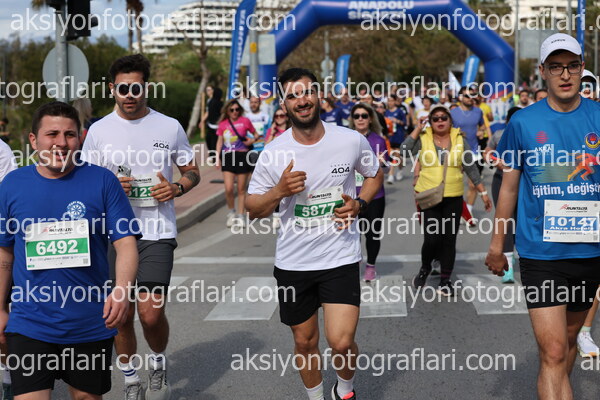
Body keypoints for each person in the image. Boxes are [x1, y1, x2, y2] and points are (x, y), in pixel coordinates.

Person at [246, 68, 383, 400]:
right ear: (284, 105)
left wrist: (360, 204)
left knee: (342, 341)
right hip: (294, 263)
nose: (302, 100)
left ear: (318, 95)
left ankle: (345, 390)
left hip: (340, 256)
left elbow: (375, 174)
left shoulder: (350, 140)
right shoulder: (274, 152)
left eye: (307, 92)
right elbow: (253, 208)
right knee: (305, 341)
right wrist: (279, 191)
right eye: (293, 96)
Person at [485, 33, 600, 400]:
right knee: (552, 351)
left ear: (582, 68)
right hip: (541, 254)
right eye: (556, 67)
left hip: (590, 251)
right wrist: (498, 246)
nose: (565, 75)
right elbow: (508, 189)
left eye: (572, 66)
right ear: (543, 72)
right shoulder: (522, 122)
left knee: (568, 341)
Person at [0, 101, 140, 400]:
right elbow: (4, 253)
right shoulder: (12, 185)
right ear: (34, 140)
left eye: (70, 134)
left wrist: (121, 291)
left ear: (80, 137)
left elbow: (126, 242)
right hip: (29, 323)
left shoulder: (103, 181)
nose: (61, 143)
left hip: (89, 322)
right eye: (52, 134)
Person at [81, 54, 200, 400]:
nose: (130, 95)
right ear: (112, 89)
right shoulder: (98, 132)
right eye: (123, 89)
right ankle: (131, 379)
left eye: (136, 88)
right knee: (120, 315)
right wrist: (109, 186)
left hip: (156, 231)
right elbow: (85, 183)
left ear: (146, 87)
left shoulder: (169, 126)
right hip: (112, 235)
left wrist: (177, 188)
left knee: (150, 314)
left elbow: (192, 171)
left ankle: (158, 362)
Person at [405, 105, 492, 296]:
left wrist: (483, 193)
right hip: (429, 196)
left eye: (443, 118)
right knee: (432, 239)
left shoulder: (459, 139)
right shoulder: (423, 137)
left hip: (453, 197)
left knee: (449, 240)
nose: (440, 121)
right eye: (435, 118)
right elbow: (404, 151)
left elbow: (470, 167)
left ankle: (445, 280)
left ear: (450, 121)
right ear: (430, 121)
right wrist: (417, 128)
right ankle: (425, 268)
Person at [349, 103, 389, 282]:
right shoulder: (346, 140)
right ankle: (354, 263)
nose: (360, 119)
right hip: (351, 195)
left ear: (370, 119)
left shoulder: (378, 141)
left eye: (364, 116)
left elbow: (386, 169)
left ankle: (371, 266)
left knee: (372, 233)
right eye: (356, 116)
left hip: (375, 196)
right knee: (352, 234)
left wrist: (382, 164)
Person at [483, 106, 521, 284]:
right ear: (508, 121)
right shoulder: (499, 134)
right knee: (506, 221)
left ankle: (521, 255)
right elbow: (487, 152)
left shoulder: (528, 134)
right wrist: (495, 161)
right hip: (501, 180)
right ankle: (509, 267)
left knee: (521, 220)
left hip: (523, 182)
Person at [215, 99, 256, 228]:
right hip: (228, 156)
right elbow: (220, 142)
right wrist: (217, 158)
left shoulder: (245, 121)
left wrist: (251, 141)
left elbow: (256, 134)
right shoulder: (223, 124)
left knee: (241, 189)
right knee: (228, 188)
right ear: (227, 111)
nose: (235, 112)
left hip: (242, 156)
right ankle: (231, 212)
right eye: (232, 110)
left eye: (237, 109)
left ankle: (241, 215)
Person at [450, 87, 486, 222]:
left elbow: (482, 126)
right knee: (455, 184)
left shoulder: (478, 111)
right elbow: (444, 130)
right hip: (457, 152)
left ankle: (468, 213)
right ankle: (457, 210)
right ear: (460, 97)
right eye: (467, 96)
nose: (470, 98)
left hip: (474, 152)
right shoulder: (452, 113)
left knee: (473, 184)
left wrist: (481, 131)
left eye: (472, 95)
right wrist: (456, 133)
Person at [246, 96, 270, 165]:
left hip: (263, 150)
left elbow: (270, 132)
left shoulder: (266, 117)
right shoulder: (246, 117)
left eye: (255, 102)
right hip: (250, 150)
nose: (253, 104)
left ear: (260, 103)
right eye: (251, 102)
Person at [199, 85, 223, 153]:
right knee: (208, 140)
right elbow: (208, 112)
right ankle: (213, 154)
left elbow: (221, 112)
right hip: (210, 124)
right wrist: (202, 121)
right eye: (206, 90)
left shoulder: (219, 101)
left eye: (209, 90)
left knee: (214, 142)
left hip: (217, 125)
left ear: (213, 91)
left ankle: (215, 156)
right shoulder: (209, 101)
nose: (207, 91)